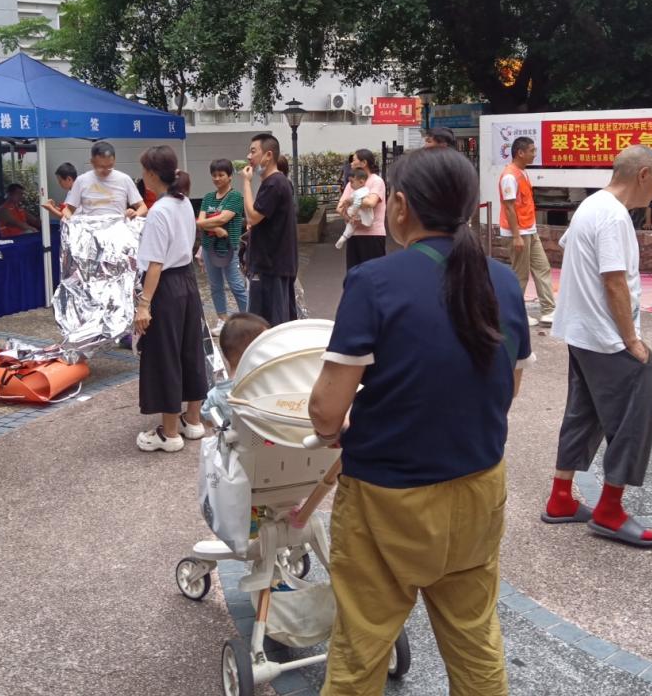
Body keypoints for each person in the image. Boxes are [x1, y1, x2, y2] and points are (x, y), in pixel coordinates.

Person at [308, 147, 531, 696]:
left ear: (401, 206)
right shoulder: (503, 282)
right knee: (475, 642)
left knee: (361, 647)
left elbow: (326, 410)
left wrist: (334, 434)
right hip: (478, 486)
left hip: (387, 498)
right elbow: (507, 389)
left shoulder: (374, 282)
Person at [542, 145, 652, 549]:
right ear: (643, 175)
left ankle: (561, 497)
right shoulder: (613, 215)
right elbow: (613, 280)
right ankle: (610, 510)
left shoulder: (590, 206)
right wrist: (632, 340)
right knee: (633, 414)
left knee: (584, 412)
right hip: (606, 337)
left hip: (582, 332)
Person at [132, 145, 207, 452]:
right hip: (187, 281)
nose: (142, 176)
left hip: (165, 286)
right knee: (191, 349)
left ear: (152, 174)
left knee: (165, 354)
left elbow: (155, 264)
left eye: (144, 170)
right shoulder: (184, 202)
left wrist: (144, 304)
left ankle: (170, 433)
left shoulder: (159, 210)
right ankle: (193, 420)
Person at [498, 136, 556, 326]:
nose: (534, 154)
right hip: (518, 233)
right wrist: (516, 236)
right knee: (520, 274)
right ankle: (515, 313)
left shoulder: (521, 172)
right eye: (532, 150)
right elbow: (509, 208)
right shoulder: (509, 176)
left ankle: (549, 311)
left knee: (542, 267)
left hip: (528, 230)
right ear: (520, 153)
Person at [241, 133, 298, 326]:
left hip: (270, 265)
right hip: (275, 263)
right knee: (275, 321)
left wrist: (246, 182)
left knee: (267, 324)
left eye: (253, 151)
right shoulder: (277, 182)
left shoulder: (274, 183)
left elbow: (253, 216)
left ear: (268, 155)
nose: (249, 156)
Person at [197, 158, 249, 332]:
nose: (217, 178)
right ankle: (222, 319)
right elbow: (201, 222)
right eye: (214, 175)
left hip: (228, 248)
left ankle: (248, 319)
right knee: (215, 286)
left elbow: (223, 218)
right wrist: (216, 228)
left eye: (221, 175)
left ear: (230, 176)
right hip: (209, 248)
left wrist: (209, 224)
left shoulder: (235, 196)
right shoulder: (208, 198)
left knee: (236, 285)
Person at [57, 142, 149, 221]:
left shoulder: (124, 179)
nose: (106, 170)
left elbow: (143, 207)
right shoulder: (81, 181)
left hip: (118, 230)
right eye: (101, 167)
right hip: (90, 231)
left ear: (114, 161)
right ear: (92, 162)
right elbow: (68, 209)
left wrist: (135, 214)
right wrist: (70, 220)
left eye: (110, 166)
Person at [335, 149, 386, 271]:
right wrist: (347, 217)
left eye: (354, 160)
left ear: (364, 163)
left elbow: (371, 202)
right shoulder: (351, 183)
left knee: (374, 274)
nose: (351, 163)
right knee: (354, 274)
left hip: (373, 235)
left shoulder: (376, 181)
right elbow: (340, 207)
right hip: (353, 234)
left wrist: (351, 200)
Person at [334, 166, 373, 250]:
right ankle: (344, 237)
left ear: (361, 182)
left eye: (351, 182)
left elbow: (357, 203)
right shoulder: (360, 191)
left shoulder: (361, 192)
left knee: (350, 225)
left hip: (359, 213)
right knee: (350, 226)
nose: (350, 184)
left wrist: (352, 213)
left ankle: (344, 237)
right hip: (359, 214)